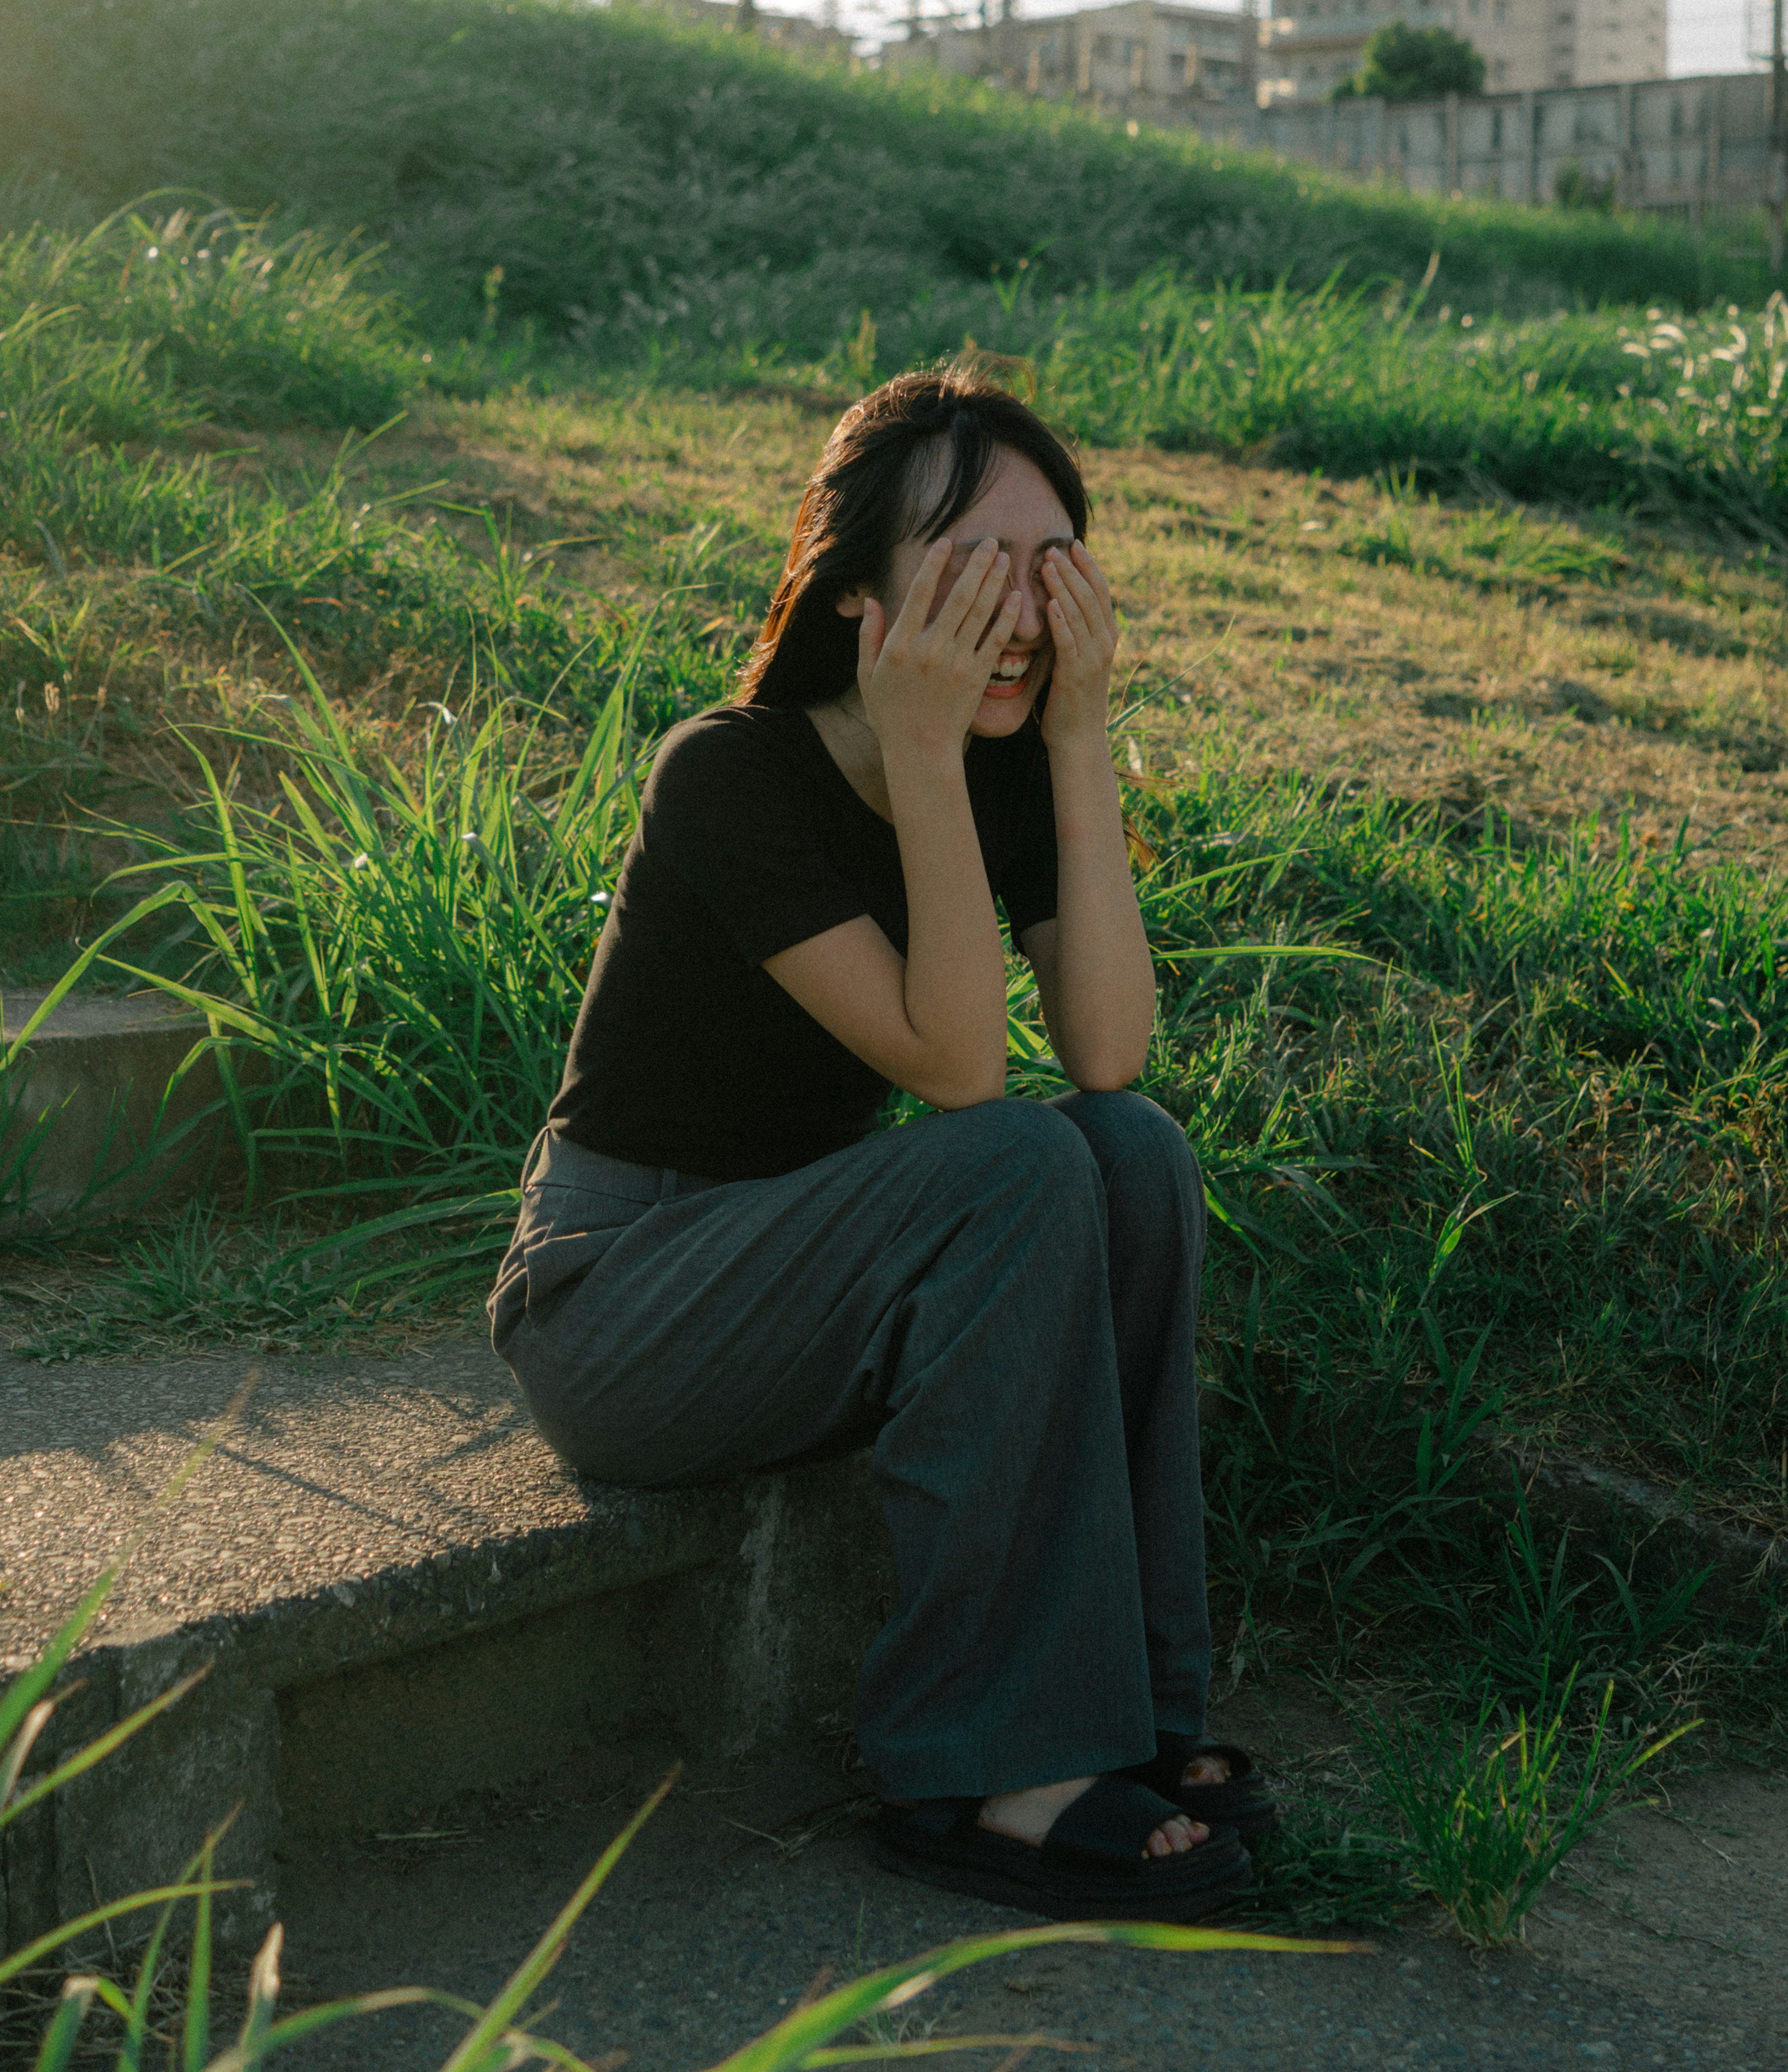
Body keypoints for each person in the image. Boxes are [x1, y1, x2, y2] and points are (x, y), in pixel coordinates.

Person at [488, 367, 1273, 1919]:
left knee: (1132, 1151)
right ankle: (984, 1766)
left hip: (805, 1278)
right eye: (977, 562)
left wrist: (1075, 742)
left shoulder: (1002, 763)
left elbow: (1109, 1054)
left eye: (1056, 563)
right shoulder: (728, 773)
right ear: (857, 591)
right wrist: (924, 757)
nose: (1026, 607)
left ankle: (1132, 1713)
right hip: (625, 1302)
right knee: (1016, 1159)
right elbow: (963, 1074)